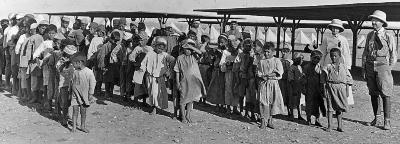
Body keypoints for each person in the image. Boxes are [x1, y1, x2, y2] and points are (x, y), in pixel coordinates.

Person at [362, 10, 397, 130]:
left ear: (382, 22)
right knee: (373, 92)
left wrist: (388, 68)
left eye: (376, 20)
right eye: (372, 20)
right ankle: (376, 118)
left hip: (383, 65)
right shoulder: (369, 35)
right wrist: (364, 68)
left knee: (385, 93)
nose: (373, 22)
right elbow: (365, 52)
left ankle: (387, 121)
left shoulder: (388, 36)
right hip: (370, 65)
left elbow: (393, 54)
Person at [319, 19, 353, 105]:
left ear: (340, 29)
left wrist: (347, 67)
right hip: (328, 61)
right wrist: (321, 65)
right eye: (333, 28)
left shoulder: (343, 39)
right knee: (329, 81)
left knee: (339, 81)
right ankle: (330, 103)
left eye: (337, 28)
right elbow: (322, 53)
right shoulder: (326, 39)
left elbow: (346, 54)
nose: (334, 30)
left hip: (340, 62)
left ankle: (340, 103)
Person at [321, 48, 352, 132]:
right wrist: (324, 90)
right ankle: (330, 125)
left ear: (340, 56)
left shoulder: (344, 67)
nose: (333, 58)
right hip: (330, 88)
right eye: (332, 56)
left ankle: (339, 126)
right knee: (330, 107)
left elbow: (349, 79)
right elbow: (323, 80)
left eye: (335, 56)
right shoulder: (327, 67)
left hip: (341, 88)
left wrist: (347, 91)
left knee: (339, 107)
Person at [174, 41, 206, 123]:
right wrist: (178, 83)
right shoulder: (180, 58)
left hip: (193, 81)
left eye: (190, 49)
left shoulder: (193, 56)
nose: (188, 51)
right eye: (186, 49)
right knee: (183, 99)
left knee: (190, 99)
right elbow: (177, 71)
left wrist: (191, 47)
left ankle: (188, 115)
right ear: (183, 49)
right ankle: (183, 117)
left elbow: (201, 53)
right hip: (184, 81)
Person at [140, 37, 172, 114]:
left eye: (162, 48)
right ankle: (153, 106)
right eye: (158, 47)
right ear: (155, 46)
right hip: (150, 77)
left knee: (157, 93)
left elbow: (173, 61)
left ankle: (155, 108)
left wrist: (168, 70)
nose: (160, 50)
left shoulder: (165, 55)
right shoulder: (150, 53)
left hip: (159, 78)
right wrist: (142, 70)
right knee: (151, 92)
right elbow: (144, 63)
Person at [257, 42, 285, 129]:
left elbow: (279, 71)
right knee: (262, 101)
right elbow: (258, 72)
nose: (266, 53)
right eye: (265, 51)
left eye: (268, 52)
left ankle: (270, 120)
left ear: (273, 52)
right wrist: (262, 76)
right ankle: (262, 120)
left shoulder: (276, 60)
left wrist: (269, 75)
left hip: (273, 84)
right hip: (264, 83)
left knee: (272, 102)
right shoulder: (261, 61)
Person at [70, 52, 96, 133]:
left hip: (84, 96)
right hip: (75, 95)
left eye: (74, 63)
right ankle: (74, 127)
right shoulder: (75, 72)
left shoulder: (88, 72)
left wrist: (91, 94)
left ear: (79, 63)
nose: (73, 65)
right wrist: (70, 91)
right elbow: (72, 82)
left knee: (83, 112)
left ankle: (82, 126)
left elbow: (93, 82)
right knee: (75, 111)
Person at [55, 45, 77, 126]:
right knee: (64, 102)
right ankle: (64, 117)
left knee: (70, 101)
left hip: (72, 84)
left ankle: (68, 116)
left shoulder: (74, 62)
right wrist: (65, 63)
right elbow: (58, 69)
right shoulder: (61, 61)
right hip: (63, 84)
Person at [26, 20, 46, 104]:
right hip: (35, 61)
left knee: (41, 80)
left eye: (45, 28)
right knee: (34, 80)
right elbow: (30, 50)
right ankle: (34, 97)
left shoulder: (45, 37)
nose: (43, 30)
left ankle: (40, 98)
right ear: (38, 28)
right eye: (42, 28)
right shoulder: (36, 37)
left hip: (43, 61)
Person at [303, 50, 325, 127]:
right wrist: (304, 88)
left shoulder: (320, 68)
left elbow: (322, 79)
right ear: (310, 58)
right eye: (314, 58)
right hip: (309, 88)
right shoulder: (306, 67)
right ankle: (308, 119)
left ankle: (317, 120)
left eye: (318, 59)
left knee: (318, 104)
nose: (316, 60)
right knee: (309, 104)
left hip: (318, 89)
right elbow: (304, 78)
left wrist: (322, 89)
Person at [220, 35, 241, 114]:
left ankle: (235, 107)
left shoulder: (239, 52)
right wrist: (226, 64)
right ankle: (228, 107)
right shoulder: (225, 52)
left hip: (237, 74)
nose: (232, 43)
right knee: (228, 89)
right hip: (229, 73)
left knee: (236, 90)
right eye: (230, 41)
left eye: (234, 41)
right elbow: (221, 64)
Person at [97, 31, 121, 98]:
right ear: (111, 38)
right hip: (106, 65)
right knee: (107, 80)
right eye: (114, 40)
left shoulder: (116, 46)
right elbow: (102, 56)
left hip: (113, 66)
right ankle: (107, 92)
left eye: (116, 41)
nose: (115, 41)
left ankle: (111, 92)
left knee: (112, 80)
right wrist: (103, 66)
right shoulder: (105, 46)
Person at [238, 38, 257, 120]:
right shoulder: (241, 55)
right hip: (243, 76)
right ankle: (242, 111)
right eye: (246, 46)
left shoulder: (253, 55)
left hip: (251, 77)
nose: (248, 48)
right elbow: (240, 66)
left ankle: (251, 113)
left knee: (251, 96)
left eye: (250, 46)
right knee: (242, 94)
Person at [207, 34, 226, 109]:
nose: (220, 44)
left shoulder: (227, 51)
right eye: (219, 42)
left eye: (222, 42)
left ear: (226, 42)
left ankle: (222, 104)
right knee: (216, 87)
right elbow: (211, 59)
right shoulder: (215, 50)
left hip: (224, 71)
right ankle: (217, 104)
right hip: (216, 70)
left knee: (223, 87)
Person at [3, 13, 19, 92]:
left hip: (14, 48)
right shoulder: (8, 29)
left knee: (13, 67)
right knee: (9, 66)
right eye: (11, 19)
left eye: (13, 19)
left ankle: (15, 86)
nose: (12, 21)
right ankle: (7, 84)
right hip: (9, 49)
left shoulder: (16, 28)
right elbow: (5, 40)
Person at [288, 53, 305, 121]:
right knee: (292, 101)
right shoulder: (292, 67)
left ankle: (299, 115)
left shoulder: (299, 67)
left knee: (298, 101)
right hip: (293, 87)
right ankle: (292, 115)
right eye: (301, 59)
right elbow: (291, 79)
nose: (302, 61)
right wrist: (294, 88)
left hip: (298, 86)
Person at [279, 47, 292, 116]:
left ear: (289, 53)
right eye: (283, 51)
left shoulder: (290, 62)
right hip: (281, 81)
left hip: (288, 81)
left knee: (288, 95)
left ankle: (289, 111)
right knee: (281, 95)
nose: (284, 53)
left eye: (286, 52)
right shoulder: (279, 60)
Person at [0, 19, 10, 87]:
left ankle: (6, 83)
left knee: (4, 66)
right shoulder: (0, 31)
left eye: (6, 24)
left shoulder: (9, 31)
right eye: (3, 24)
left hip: (6, 50)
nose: (4, 26)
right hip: (1, 49)